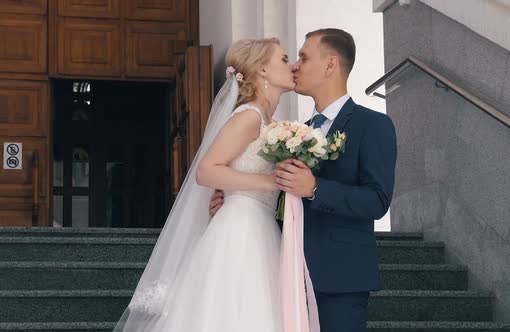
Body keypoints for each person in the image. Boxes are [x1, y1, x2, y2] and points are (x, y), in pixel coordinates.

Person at [211, 28, 398, 332]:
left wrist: (315, 189)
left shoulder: (373, 125)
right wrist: (236, 202)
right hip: (282, 272)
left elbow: (377, 200)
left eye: (303, 57)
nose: (295, 65)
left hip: (339, 278)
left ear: (330, 65)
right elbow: (281, 194)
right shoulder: (291, 131)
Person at [114, 37, 295, 332]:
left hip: (261, 225)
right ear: (262, 69)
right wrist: (271, 180)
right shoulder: (249, 116)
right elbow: (207, 171)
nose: (292, 66)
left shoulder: (271, 121)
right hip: (241, 228)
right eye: (284, 59)